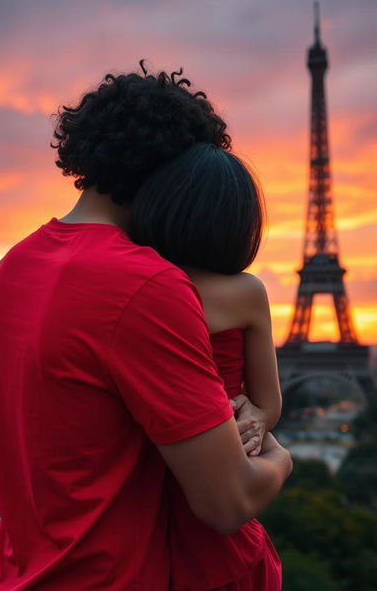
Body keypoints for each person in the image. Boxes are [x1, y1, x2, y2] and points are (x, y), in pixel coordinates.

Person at [0, 62, 292, 590]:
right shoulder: (146, 286)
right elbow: (227, 502)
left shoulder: (14, 265)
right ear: (178, 175)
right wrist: (281, 459)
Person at [130, 143, 283, 590]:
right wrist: (255, 425)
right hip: (220, 491)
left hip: (147, 492)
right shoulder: (247, 292)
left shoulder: (136, 286)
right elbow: (268, 403)